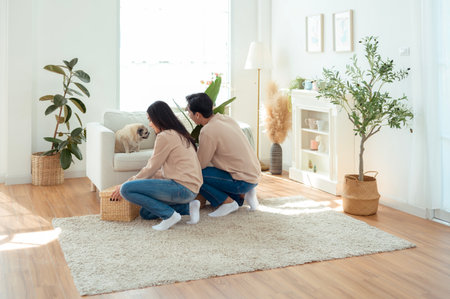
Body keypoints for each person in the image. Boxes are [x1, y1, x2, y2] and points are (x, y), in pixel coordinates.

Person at [110, 101, 202, 231]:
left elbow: (151, 167)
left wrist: (125, 184)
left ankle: (170, 216)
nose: (149, 124)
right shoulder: (180, 134)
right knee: (146, 213)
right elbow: (162, 170)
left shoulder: (165, 136)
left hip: (182, 188)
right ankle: (188, 207)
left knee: (126, 190)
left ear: (158, 118)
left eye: (150, 119)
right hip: (191, 190)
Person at [186, 92, 261, 217]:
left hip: (242, 180)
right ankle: (245, 194)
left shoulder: (208, 130)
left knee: (195, 175)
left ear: (198, 115)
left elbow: (200, 164)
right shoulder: (226, 119)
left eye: (189, 112)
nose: (188, 115)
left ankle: (228, 202)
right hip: (254, 175)